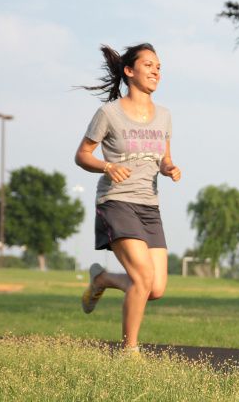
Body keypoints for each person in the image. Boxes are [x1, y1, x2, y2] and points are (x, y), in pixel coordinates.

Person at [75, 43, 181, 355]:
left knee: (156, 288)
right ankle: (128, 352)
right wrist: (108, 165)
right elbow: (82, 155)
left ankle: (103, 279)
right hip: (116, 202)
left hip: (150, 206)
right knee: (143, 277)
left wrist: (169, 168)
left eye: (159, 67)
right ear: (129, 71)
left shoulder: (164, 116)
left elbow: (164, 159)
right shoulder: (108, 113)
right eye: (149, 65)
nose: (156, 71)